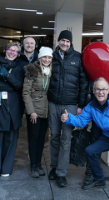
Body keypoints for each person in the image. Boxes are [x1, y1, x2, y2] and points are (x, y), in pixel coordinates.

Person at [61, 77, 109, 200]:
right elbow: (81, 120)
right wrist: (69, 118)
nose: (100, 92)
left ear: (108, 90)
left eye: (103, 89)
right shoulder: (91, 107)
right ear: (93, 91)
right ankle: (99, 179)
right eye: (98, 89)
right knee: (90, 151)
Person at [48, 30, 88, 187]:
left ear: (71, 43)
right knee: (54, 137)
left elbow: (83, 84)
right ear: (58, 41)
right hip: (53, 103)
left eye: (67, 41)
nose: (64, 43)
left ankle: (61, 173)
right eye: (62, 40)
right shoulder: (51, 57)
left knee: (66, 139)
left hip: (70, 105)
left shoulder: (78, 58)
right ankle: (53, 167)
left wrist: (81, 105)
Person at [23, 47, 53, 178]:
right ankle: (33, 165)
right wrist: (31, 112)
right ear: (40, 58)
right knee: (33, 138)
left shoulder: (52, 71)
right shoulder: (32, 69)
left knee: (42, 139)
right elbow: (26, 92)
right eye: (44, 57)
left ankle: (39, 164)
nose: (47, 60)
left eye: (49, 57)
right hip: (35, 110)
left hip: (46, 110)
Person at [0, 42, 24, 176]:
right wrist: (11, 85)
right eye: (10, 49)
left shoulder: (19, 69)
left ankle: (6, 169)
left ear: (18, 54)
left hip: (13, 106)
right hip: (0, 105)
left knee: (11, 138)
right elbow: (12, 87)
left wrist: (7, 76)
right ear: (5, 50)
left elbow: (19, 86)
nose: (12, 53)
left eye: (15, 51)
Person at [17, 36, 38, 117]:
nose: (29, 45)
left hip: (34, 98)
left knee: (32, 123)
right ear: (23, 45)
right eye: (27, 43)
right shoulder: (16, 58)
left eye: (32, 43)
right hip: (18, 96)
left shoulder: (40, 59)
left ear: (35, 45)